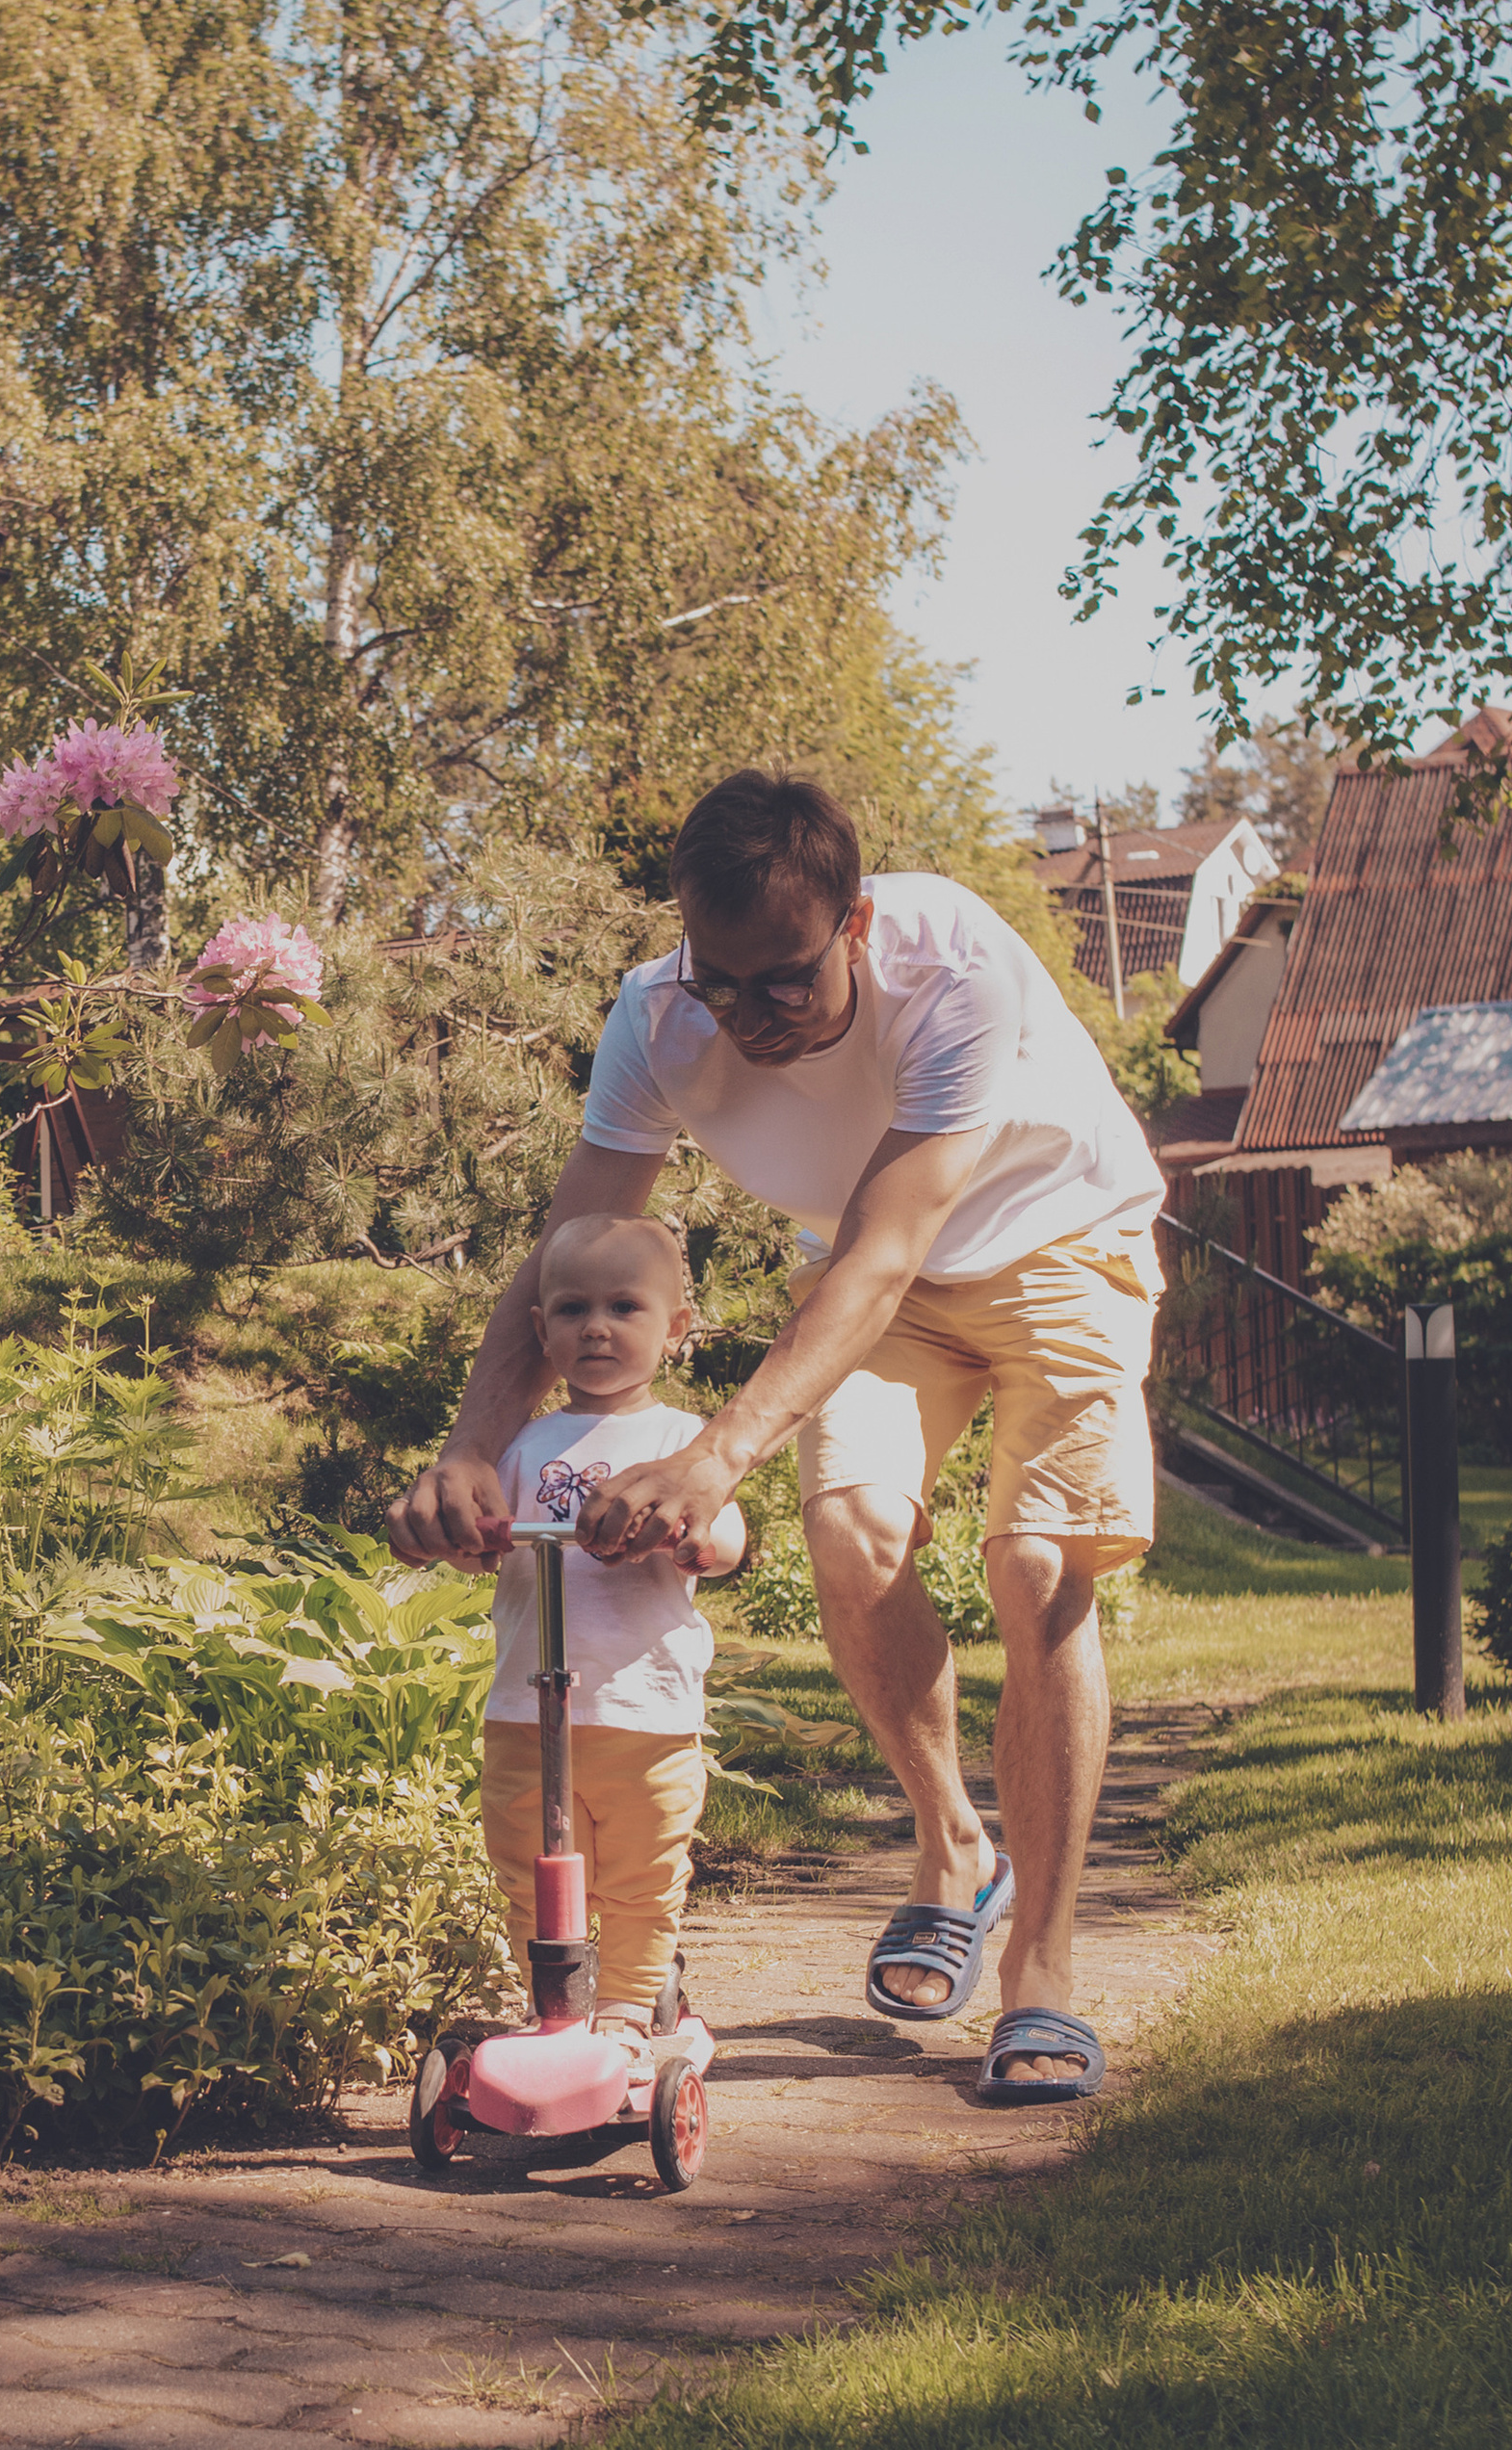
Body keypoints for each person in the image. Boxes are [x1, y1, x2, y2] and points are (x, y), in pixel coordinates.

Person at [391, 770, 1163, 2105]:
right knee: (850, 1537)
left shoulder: (951, 966)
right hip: (874, 1283)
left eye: (785, 981)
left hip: (1057, 1244)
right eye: (720, 981)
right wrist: (470, 1442)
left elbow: (884, 1250)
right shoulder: (655, 1019)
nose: (747, 1017)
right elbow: (567, 1249)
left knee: (1036, 1565)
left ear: (854, 923)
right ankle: (956, 1846)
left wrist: (713, 1454)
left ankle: (1039, 1969)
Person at [479, 1212, 745, 2078]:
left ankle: (630, 2009)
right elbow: (480, 1529)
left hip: (644, 1708)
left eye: (624, 1307)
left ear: (675, 1328)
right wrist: (467, 1536)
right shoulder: (522, 1442)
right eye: (572, 1309)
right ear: (541, 1328)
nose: (596, 1327)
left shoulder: (681, 1441)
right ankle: (551, 2007)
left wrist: (698, 1541)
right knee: (529, 1866)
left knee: (642, 1870)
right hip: (527, 1704)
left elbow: (727, 1535)